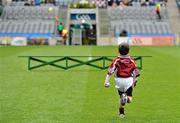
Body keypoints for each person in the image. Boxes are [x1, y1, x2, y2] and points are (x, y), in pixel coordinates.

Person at [104, 42, 140, 118]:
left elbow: (110, 71)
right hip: (128, 81)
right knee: (129, 99)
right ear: (129, 51)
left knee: (121, 97)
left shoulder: (116, 60)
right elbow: (136, 73)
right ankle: (126, 98)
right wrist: (135, 81)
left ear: (118, 51)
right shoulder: (131, 60)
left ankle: (121, 113)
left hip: (119, 81)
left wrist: (106, 82)